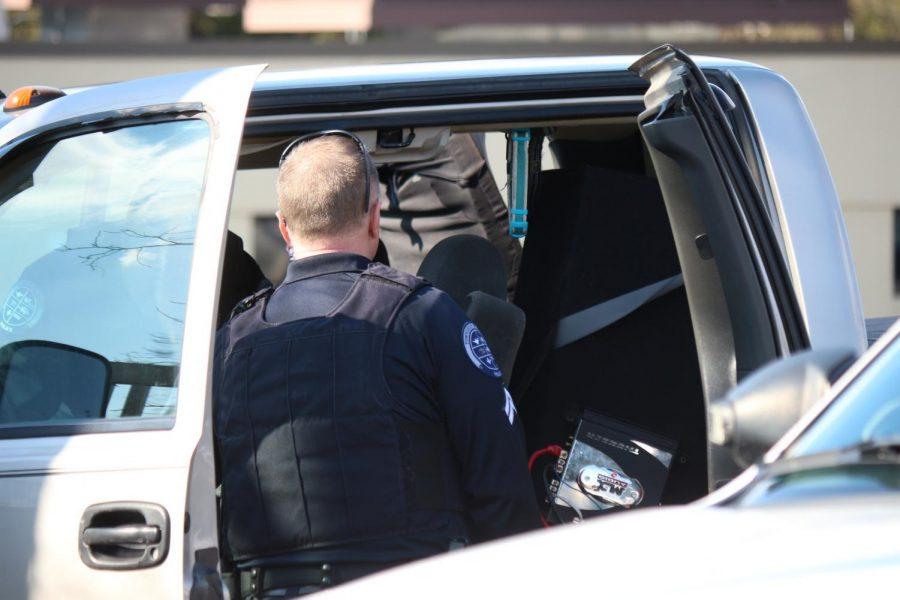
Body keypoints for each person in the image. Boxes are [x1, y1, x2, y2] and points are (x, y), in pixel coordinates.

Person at [214, 131, 539, 598]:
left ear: (285, 228)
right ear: (374, 217)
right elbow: (498, 475)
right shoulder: (422, 315)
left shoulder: (231, 342)